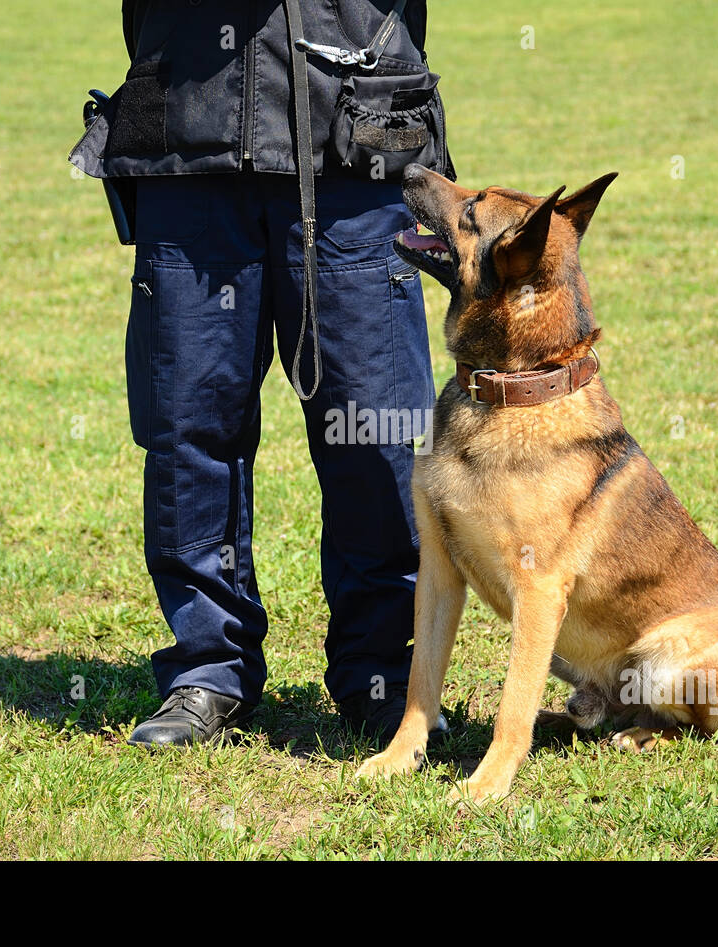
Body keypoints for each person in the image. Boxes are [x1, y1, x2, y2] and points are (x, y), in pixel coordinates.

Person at [70, 0, 455, 747]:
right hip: (189, 136)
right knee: (186, 427)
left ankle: (381, 675)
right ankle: (207, 669)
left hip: (355, 139)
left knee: (374, 427)